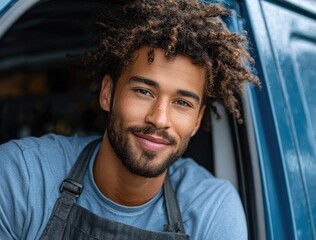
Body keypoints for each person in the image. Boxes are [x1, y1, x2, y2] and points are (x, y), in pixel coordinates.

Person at [0, 0, 259, 239]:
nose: (159, 119)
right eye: (144, 91)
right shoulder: (21, 177)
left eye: (182, 103)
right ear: (107, 93)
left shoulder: (211, 209)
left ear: (197, 120)